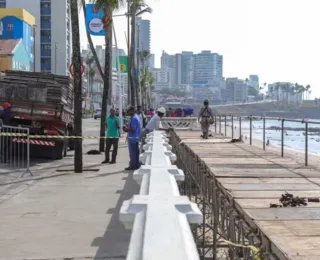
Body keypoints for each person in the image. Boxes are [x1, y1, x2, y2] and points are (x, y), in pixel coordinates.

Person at [123, 106, 141, 170]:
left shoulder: (134, 118)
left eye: (129, 111)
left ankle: (133, 165)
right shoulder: (135, 117)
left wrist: (126, 129)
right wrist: (127, 126)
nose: (128, 112)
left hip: (133, 138)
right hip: (135, 137)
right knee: (135, 153)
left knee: (132, 153)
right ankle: (136, 165)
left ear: (132, 111)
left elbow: (133, 128)